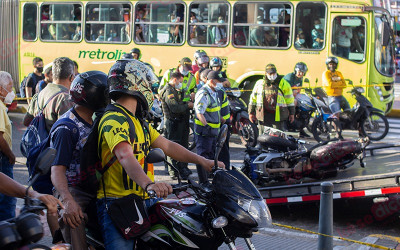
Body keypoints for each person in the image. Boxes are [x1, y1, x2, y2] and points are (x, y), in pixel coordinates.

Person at [97, 59, 223, 249]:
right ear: (136, 84)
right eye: (148, 84)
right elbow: (125, 155)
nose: (151, 89)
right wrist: (149, 184)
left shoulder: (138, 122)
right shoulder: (113, 119)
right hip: (118, 205)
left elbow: (168, 146)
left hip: (145, 199)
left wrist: (203, 161)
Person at [50, 71, 109, 250]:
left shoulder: (97, 119)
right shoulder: (67, 128)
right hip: (75, 189)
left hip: (95, 184)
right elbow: (57, 169)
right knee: (74, 219)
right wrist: (68, 200)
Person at [24, 57, 75, 132]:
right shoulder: (65, 98)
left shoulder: (39, 94)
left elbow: (26, 122)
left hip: (39, 142)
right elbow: (66, 133)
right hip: (54, 143)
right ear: (71, 77)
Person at [159, 72, 194, 179]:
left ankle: (181, 168)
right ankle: (173, 171)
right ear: (174, 80)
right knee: (172, 146)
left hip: (179, 122)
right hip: (172, 122)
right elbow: (174, 108)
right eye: (180, 81)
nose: (181, 83)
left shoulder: (175, 90)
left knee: (182, 145)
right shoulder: (168, 91)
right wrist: (187, 105)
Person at [194, 71, 225, 183]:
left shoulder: (214, 92)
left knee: (211, 156)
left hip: (212, 133)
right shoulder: (204, 94)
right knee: (202, 157)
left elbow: (213, 109)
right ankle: (203, 182)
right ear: (211, 81)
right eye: (219, 82)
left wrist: (220, 118)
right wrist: (206, 126)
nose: (221, 84)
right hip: (205, 132)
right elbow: (199, 113)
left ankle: (208, 179)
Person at [248, 64, 295, 133]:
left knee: (277, 136)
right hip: (263, 115)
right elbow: (253, 99)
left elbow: (290, 100)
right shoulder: (260, 84)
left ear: (276, 72)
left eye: (273, 73)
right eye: (270, 73)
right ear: (265, 73)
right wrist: (251, 112)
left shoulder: (284, 83)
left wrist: (292, 113)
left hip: (278, 115)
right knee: (262, 136)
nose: (272, 75)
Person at [0, 71, 17, 220]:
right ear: (1, 89)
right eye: (10, 88)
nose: (12, 92)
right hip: (2, 159)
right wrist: (11, 155)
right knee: (7, 200)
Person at [284, 62, 311, 137]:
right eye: (299, 72)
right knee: (294, 102)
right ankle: (287, 123)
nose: (300, 74)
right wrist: (293, 92)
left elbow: (298, 90)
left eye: (302, 72)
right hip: (284, 96)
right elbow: (285, 90)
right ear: (295, 71)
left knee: (305, 103)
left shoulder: (300, 79)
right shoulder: (290, 77)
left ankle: (300, 127)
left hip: (294, 95)